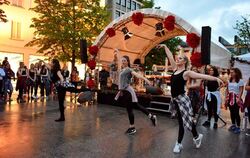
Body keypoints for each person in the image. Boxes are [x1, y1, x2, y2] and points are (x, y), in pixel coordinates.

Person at [157, 44, 223, 153]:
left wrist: (215, 78)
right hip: (175, 100)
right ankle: (197, 137)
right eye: (177, 58)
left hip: (183, 100)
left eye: (180, 58)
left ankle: (178, 144)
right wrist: (164, 47)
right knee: (184, 121)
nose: (177, 59)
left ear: (184, 62)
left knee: (184, 122)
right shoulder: (174, 69)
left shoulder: (186, 73)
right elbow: (169, 56)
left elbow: (202, 76)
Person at [114, 49, 157, 135]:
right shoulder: (122, 69)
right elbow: (119, 60)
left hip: (128, 92)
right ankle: (151, 116)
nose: (122, 62)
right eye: (122, 60)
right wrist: (118, 52)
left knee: (129, 109)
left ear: (127, 62)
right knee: (136, 106)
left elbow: (137, 75)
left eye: (124, 61)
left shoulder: (129, 69)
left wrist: (146, 79)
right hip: (125, 91)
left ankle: (132, 127)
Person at [226, 68, 244, 134]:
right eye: (230, 72)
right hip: (230, 97)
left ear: (236, 73)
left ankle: (238, 127)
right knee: (231, 112)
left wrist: (239, 98)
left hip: (236, 98)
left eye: (232, 72)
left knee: (236, 112)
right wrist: (226, 98)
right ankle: (233, 125)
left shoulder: (240, 81)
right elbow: (227, 89)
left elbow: (241, 90)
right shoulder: (229, 80)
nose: (231, 73)